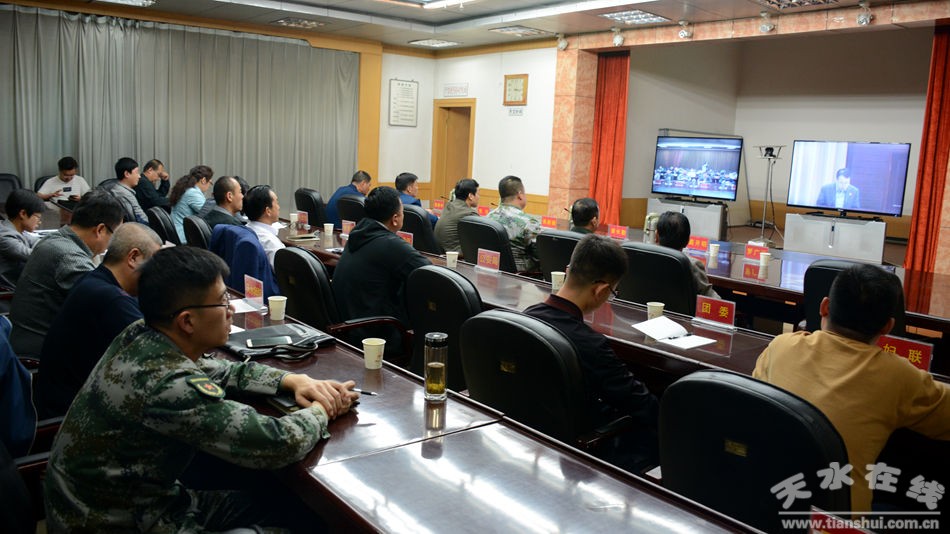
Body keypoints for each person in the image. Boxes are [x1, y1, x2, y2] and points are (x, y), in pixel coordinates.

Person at [44, 246, 359, 532]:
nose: (230, 309)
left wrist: (292, 381)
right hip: (116, 522)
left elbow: (220, 370)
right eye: (222, 301)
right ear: (187, 321)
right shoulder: (168, 385)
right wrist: (323, 409)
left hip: (138, 501)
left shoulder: (142, 332)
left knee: (286, 505)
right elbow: (276, 444)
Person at [752, 264, 950, 512]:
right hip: (835, 523)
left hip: (765, 504)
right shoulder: (899, 376)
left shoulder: (780, 347)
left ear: (825, 307)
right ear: (887, 327)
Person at [525, 234, 659, 473]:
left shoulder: (527, 317)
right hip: (577, 456)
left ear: (568, 271)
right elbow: (641, 404)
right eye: (613, 292)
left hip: (529, 438)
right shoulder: (591, 344)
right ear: (601, 290)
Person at [33, 223, 162, 418]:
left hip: (63, 400)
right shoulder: (112, 300)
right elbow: (159, 355)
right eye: (154, 264)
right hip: (74, 417)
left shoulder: (95, 280)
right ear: (133, 257)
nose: (156, 274)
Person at [9, 190, 124, 358]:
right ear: (100, 230)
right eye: (115, 235)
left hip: (30, 338)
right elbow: (111, 306)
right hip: (41, 351)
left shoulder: (57, 239)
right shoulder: (69, 256)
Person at [332, 186, 430, 352]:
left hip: (348, 325)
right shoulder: (390, 244)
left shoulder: (359, 233)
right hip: (376, 334)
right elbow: (428, 272)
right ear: (395, 219)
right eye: (402, 212)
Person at [656, 211, 719, 298]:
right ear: (687, 241)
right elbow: (710, 298)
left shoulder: (645, 259)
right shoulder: (692, 265)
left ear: (656, 236)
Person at [487, 175, 541, 271]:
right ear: (520, 195)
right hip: (520, 275)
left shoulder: (488, 217)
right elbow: (540, 256)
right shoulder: (529, 222)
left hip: (490, 268)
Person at [0, 189, 45, 283]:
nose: (39, 222)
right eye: (38, 217)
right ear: (23, 214)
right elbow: (35, 256)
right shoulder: (4, 237)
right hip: (11, 289)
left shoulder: (16, 229)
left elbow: (38, 242)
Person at [434, 178, 479, 255]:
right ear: (471, 196)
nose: (479, 197)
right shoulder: (469, 213)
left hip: (439, 251)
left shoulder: (449, 205)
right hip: (454, 255)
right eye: (478, 193)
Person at [170, 165, 214, 243]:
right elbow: (209, 215)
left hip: (176, 233)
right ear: (203, 180)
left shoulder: (186, 189)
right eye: (210, 182)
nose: (209, 186)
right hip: (183, 238)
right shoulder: (193, 193)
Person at [245, 184, 284, 267]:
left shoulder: (247, 228)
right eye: (277, 203)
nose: (279, 207)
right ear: (268, 211)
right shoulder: (271, 244)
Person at [107, 157, 149, 224]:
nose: (139, 176)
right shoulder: (125, 194)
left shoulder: (115, 187)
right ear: (127, 174)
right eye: (137, 172)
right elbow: (142, 219)